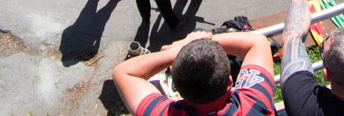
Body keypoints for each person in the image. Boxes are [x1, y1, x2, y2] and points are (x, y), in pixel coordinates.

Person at [113, 30, 276, 116]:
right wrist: (201, 42)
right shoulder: (255, 101)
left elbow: (124, 72)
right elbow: (257, 42)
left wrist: (177, 51)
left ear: (177, 90)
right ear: (229, 81)